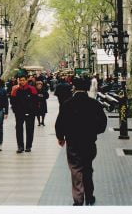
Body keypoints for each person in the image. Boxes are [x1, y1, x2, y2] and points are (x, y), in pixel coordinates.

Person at [55, 76, 107, 206]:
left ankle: (78, 198)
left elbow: (60, 123)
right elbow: (103, 123)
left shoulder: (67, 104)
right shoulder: (94, 104)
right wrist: (94, 132)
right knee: (87, 167)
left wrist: (61, 137)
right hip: (89, 142)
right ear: (88, 88)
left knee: (76, 169)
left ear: (74, 88)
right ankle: (89, 196)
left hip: (73, 143)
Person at [10, 75, 38, 153]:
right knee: (19, 129)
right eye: (20, 80)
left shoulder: (32, 89)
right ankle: (20, 146)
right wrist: (15, 110)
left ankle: (28, 146)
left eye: (23, 80)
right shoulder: (15, 90)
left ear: (26, 81)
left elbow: (36, 101)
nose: (22, 82)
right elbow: (12, 101)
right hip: (19, 113)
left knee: (30, 129)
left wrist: (33, 111)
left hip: (30, 113)